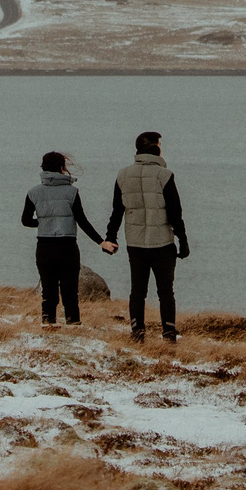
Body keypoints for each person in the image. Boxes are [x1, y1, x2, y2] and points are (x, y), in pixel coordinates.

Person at [104, 130, 190, 343]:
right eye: (160, 144)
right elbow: (174, 212)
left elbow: (117, 210)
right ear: (155, 148)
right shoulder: (165, 175)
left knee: (137, 291)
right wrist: (183, 240)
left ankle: (137, 332)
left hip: (135, 243)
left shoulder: (122, 175)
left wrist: (111, 237)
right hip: (162, 243)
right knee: (165, 292)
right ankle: (169, 333)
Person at [19, 150, 107, 325]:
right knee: (70, 291)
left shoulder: (33, 193)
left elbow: (26, 221)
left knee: (48, 291)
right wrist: (102, 242)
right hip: (67, 247)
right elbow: (82, 221)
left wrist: (45, 222)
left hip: (44, 247)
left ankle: (48, 324)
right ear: (62, 168)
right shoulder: (72, 192)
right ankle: (73, 324)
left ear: (43, 168)